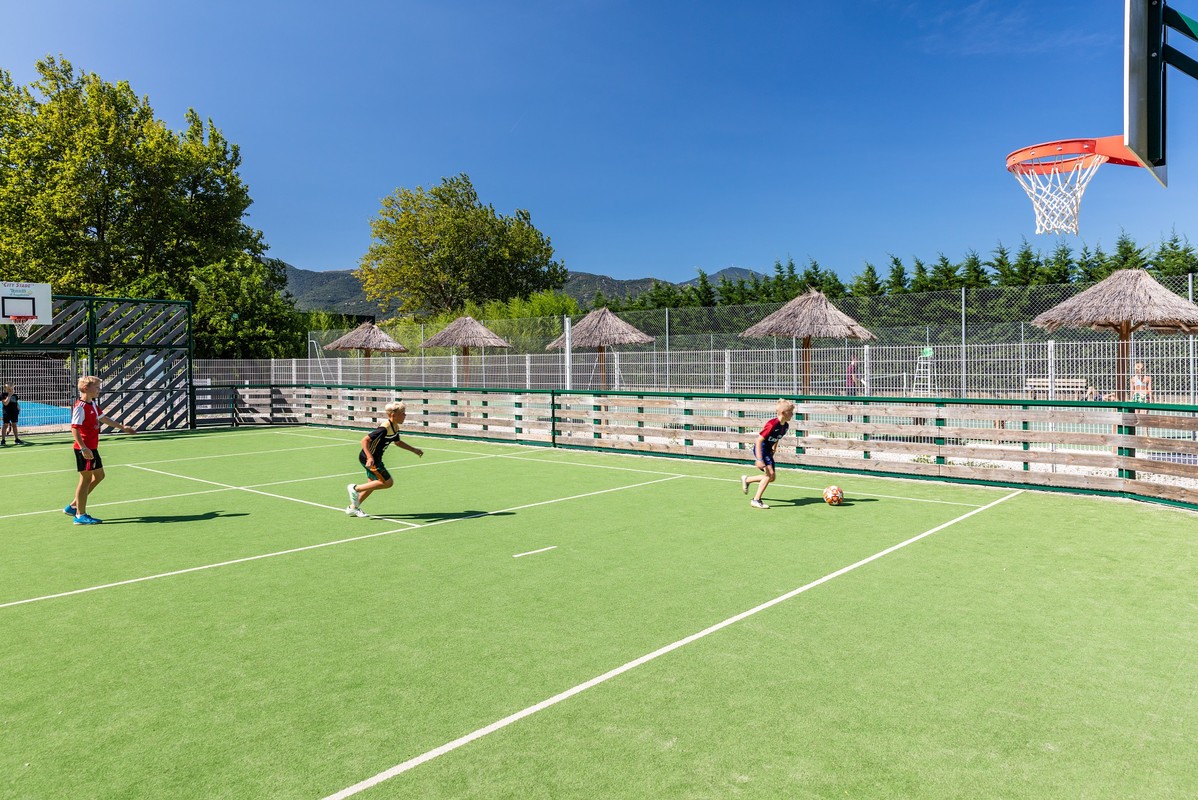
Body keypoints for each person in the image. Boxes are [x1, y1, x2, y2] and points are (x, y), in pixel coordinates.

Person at [65, 376, 136, 525]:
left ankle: (73, 506)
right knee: (84, 480)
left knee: (99, 475)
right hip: (84, 449)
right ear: (86, 388)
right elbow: (74, 429)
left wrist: (122, 428)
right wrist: (84, 448)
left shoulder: (93, 404)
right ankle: (80, 515)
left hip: (92, 448)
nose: (99, 390)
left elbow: (104, 418)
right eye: (96, 387)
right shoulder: (80, 407)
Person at [346, 401, 423, 517]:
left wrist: (414, 450)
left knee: (372, 484)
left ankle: (353, 508)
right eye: (403, 413)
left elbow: (397, 442)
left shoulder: (395, 427)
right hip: (370, 459)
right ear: (393, 415)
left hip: (375, 458)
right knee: (387, 482)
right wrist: (370, 457)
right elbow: (364, 441)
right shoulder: (384, 429)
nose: (405, 416)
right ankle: (355, 488)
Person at [740, 398, 796, 510]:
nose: (792, 414)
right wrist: (759, 459)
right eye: (791, 412)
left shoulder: (785, 426)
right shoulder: (772, 424)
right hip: (761, 449)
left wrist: (774, 448)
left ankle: (747, 480)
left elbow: (777, 438)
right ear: (783, 413)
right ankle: (756, 500)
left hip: (768, 451)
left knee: (772, 477)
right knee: (769, 474)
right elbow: (759, 440)